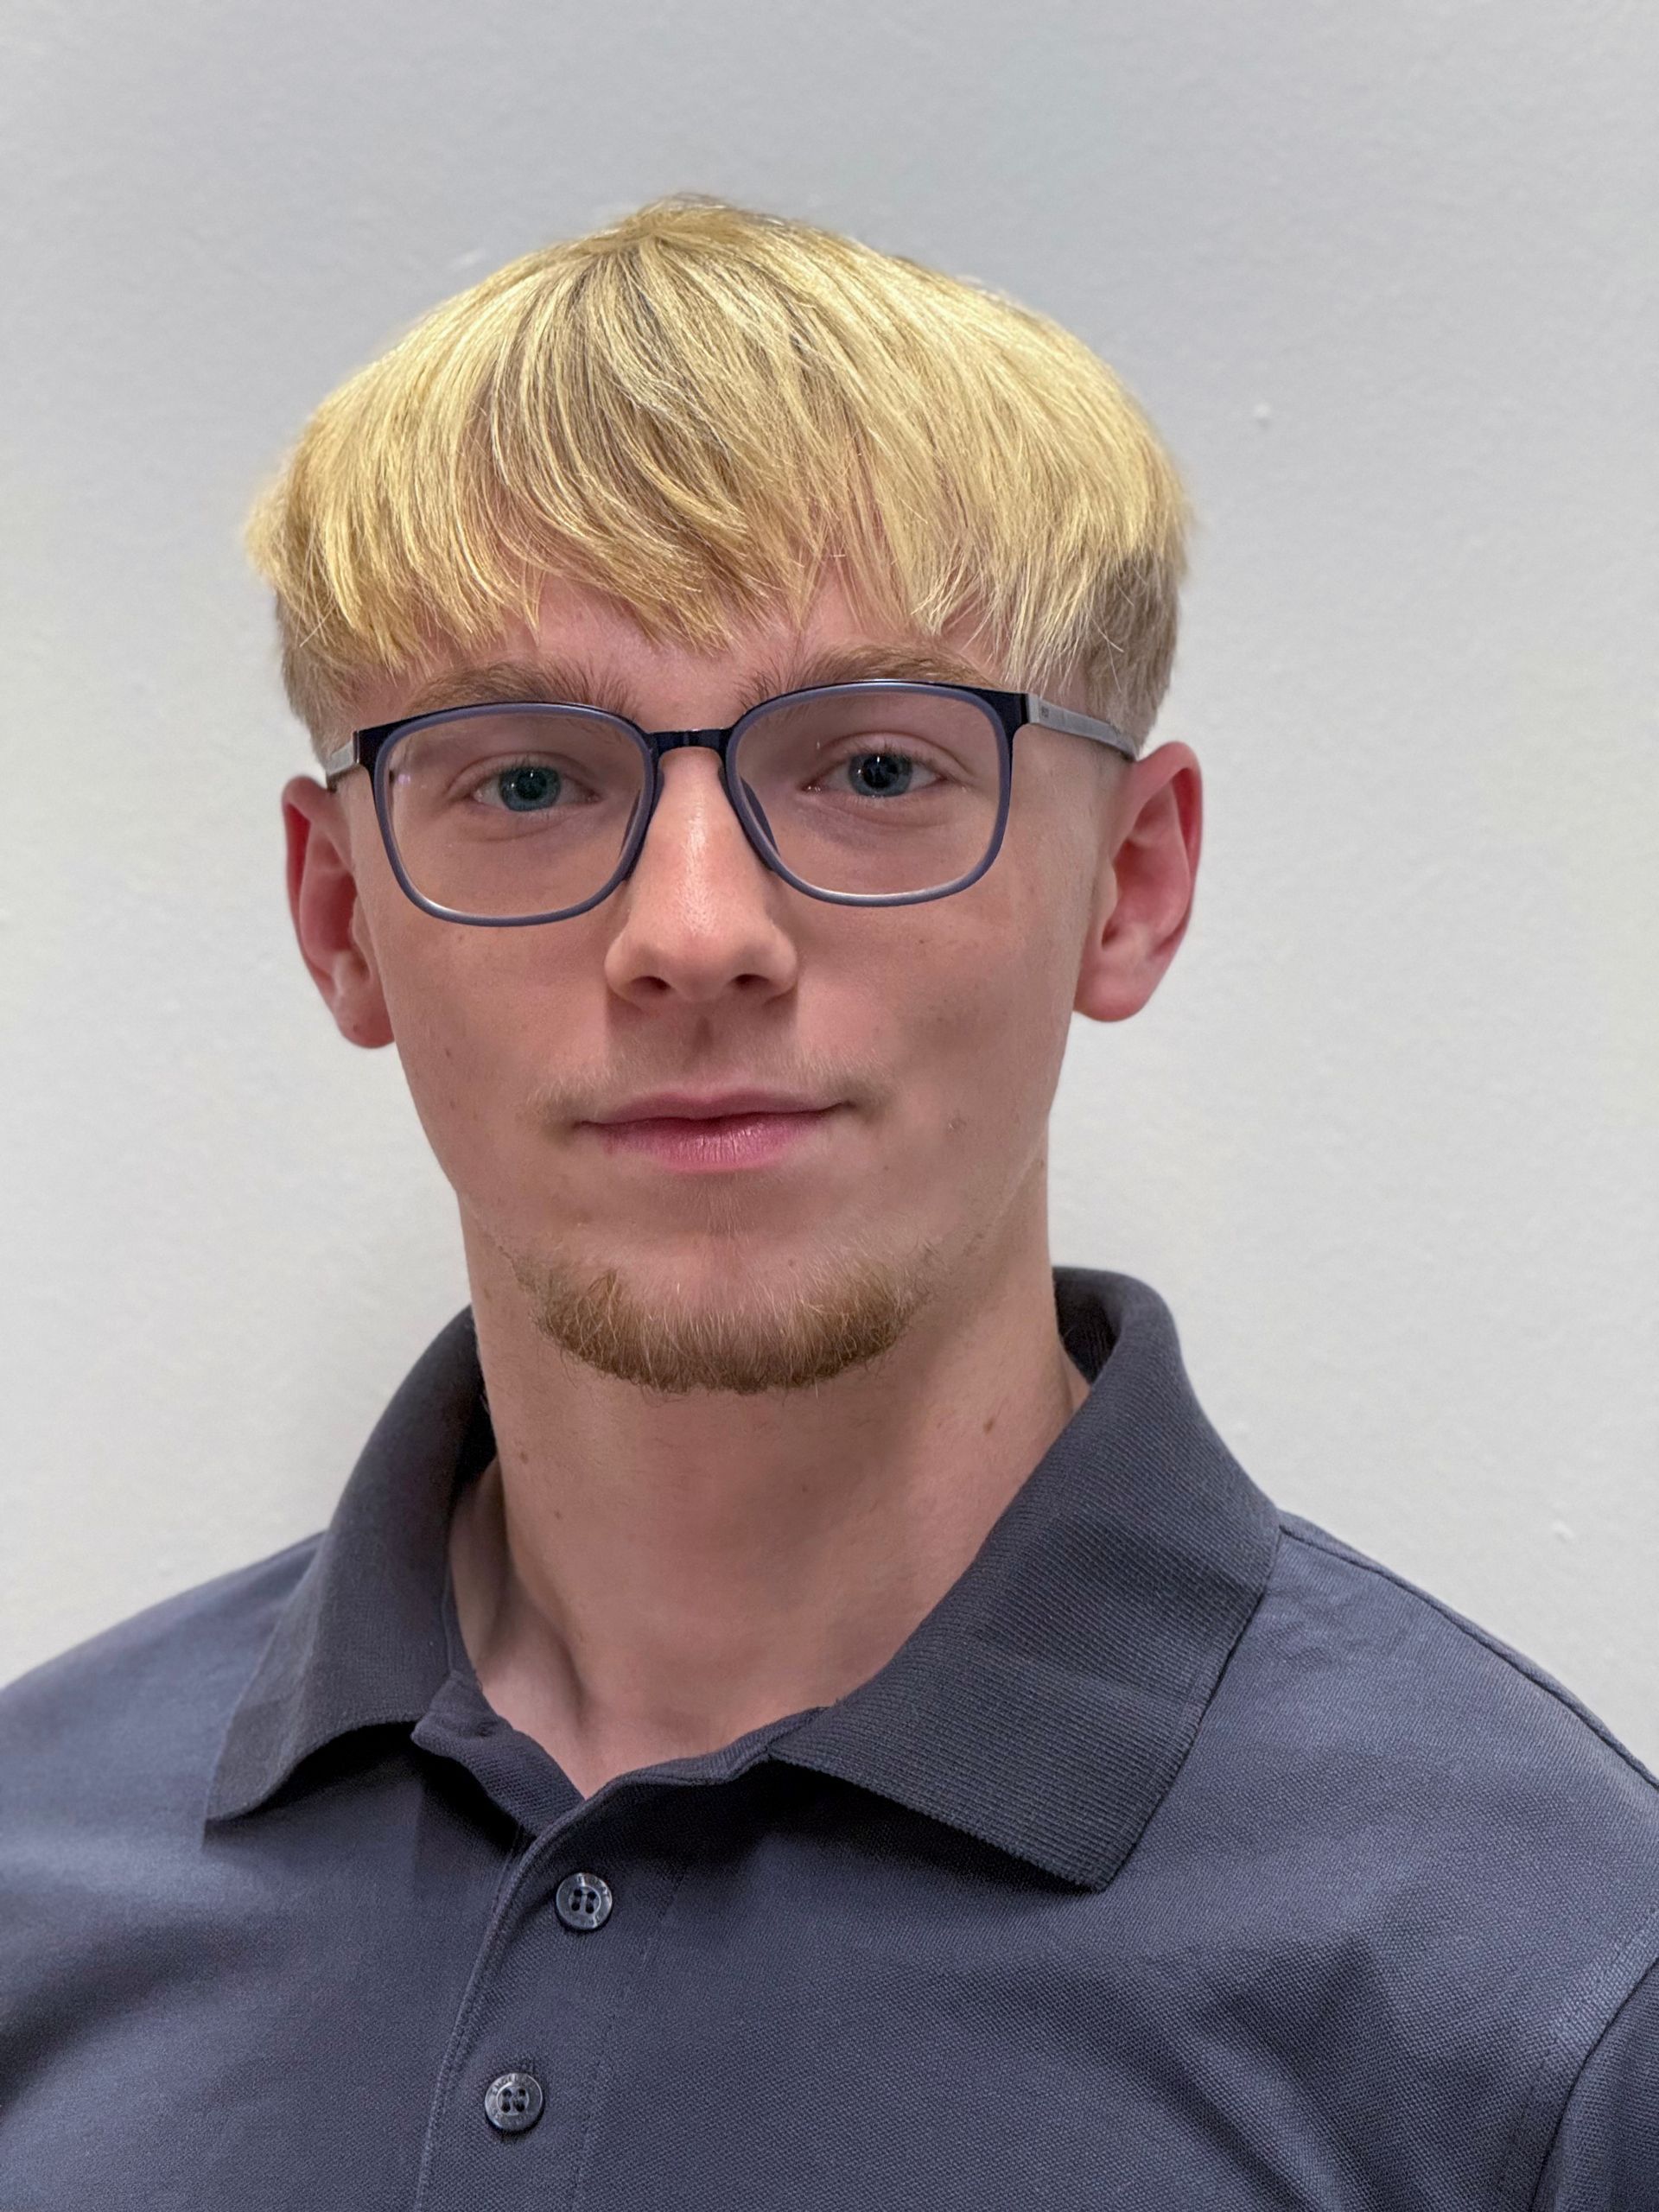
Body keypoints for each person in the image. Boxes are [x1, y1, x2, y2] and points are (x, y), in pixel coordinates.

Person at [2, 194, 1653, 2210]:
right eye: (525, 782)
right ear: (341, 914)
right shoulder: (31, 1875)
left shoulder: (1552, 1997)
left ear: (1131, 881)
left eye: (876, 767)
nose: (694, 932)